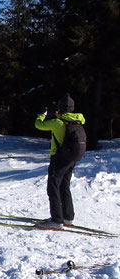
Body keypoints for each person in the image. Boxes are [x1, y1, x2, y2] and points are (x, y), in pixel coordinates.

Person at [34, 93, 85, 229]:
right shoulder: (78, 120)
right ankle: (67, 217)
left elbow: (39, 125)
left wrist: (41, 114)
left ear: (60, 108)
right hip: (72, 159)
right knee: (64, 186)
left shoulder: (57, 123)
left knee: (53, 187)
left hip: (59, 158)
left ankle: (56, 220)